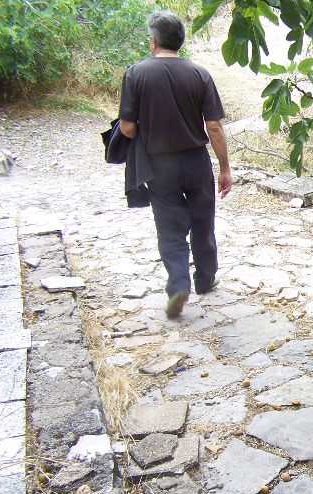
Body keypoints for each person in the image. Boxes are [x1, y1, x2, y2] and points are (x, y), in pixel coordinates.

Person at [118, 10, 232, 316]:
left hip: (158, 165)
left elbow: (127, 129)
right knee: (202, 221)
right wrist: (224, 167)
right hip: (196, 161)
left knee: (169, 228)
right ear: (179, 41)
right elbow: (214, 127)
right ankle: (206, 279)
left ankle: (179, 283)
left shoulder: (135, 74)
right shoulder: (200, 74)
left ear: (153, 41)